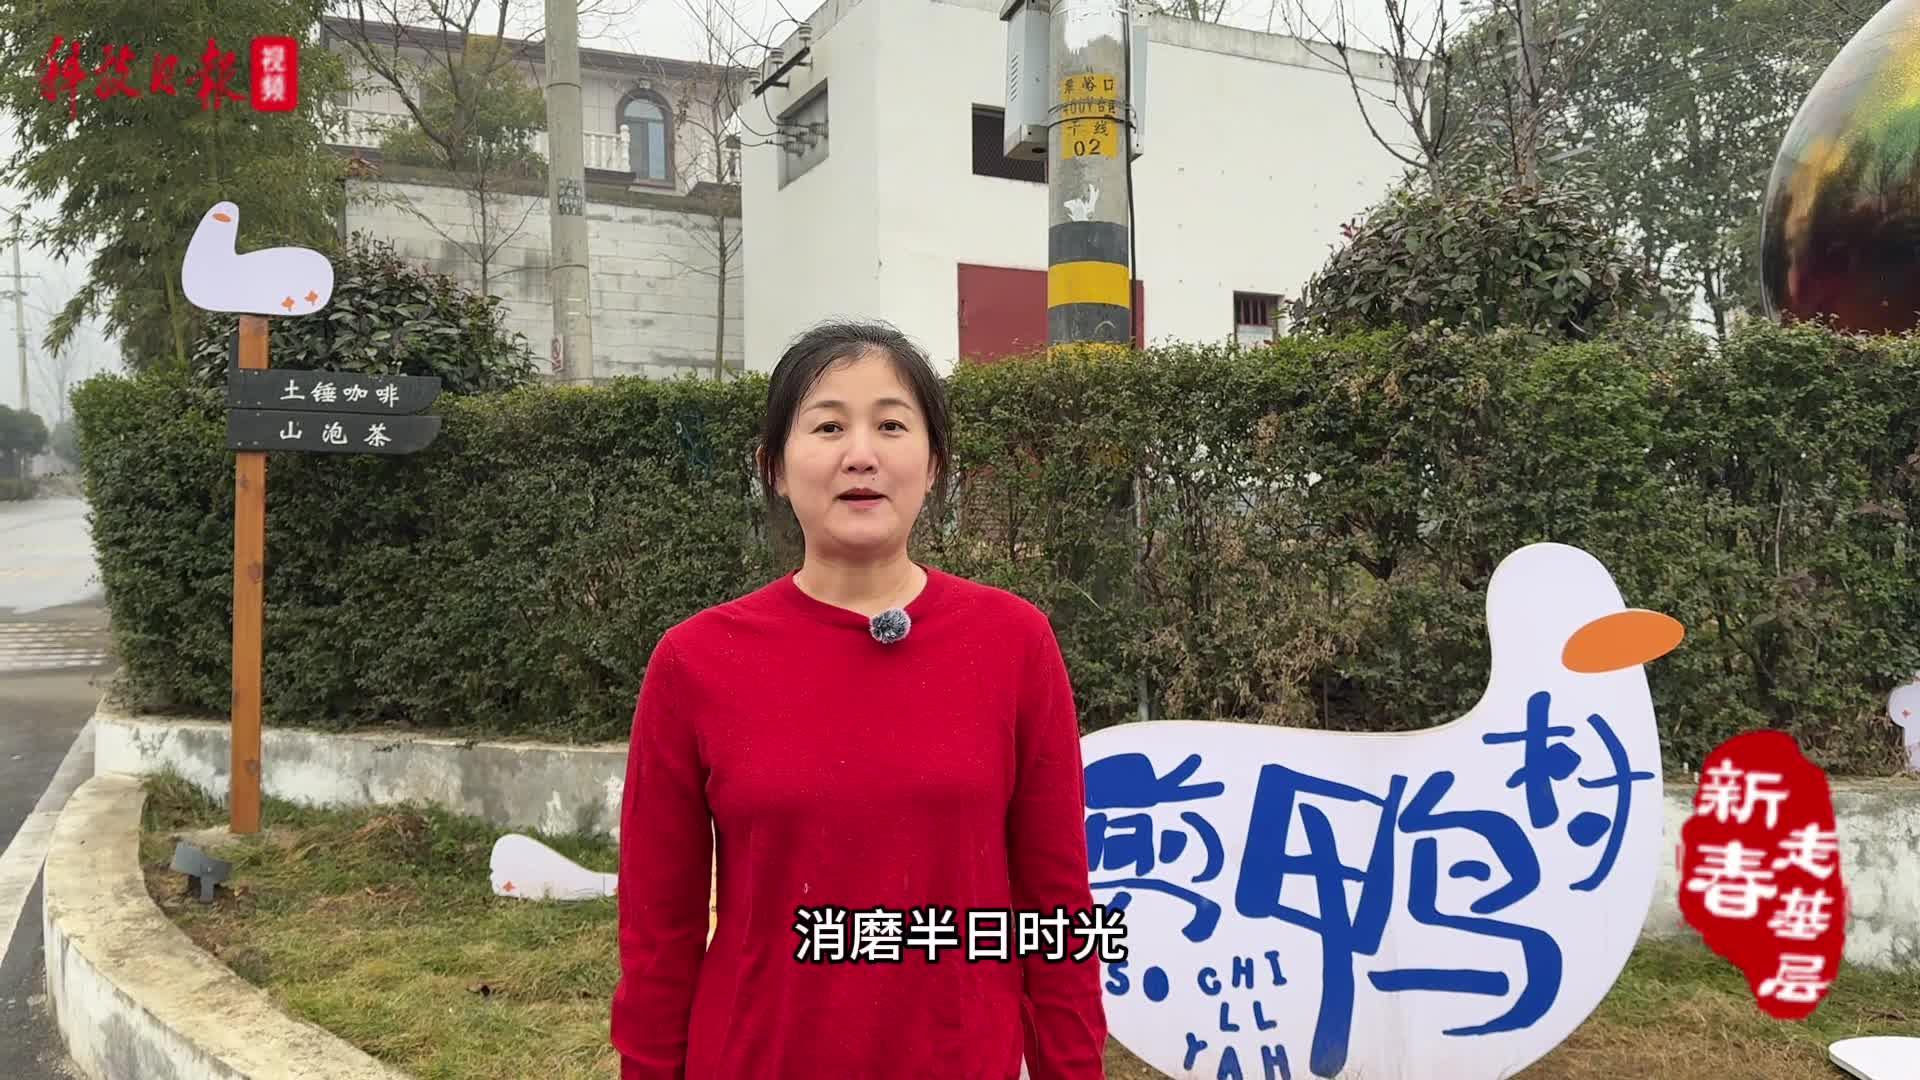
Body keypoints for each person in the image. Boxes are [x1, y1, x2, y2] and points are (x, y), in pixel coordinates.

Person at [610, 320, 1109, 1079]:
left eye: (892, 425)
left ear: (934, 465)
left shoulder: (1013, 644)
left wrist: (1070, 1068)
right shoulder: (696, 662)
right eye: (828, 426)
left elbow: (1056, 905)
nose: (861, 454)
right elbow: (658, 929)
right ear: (774, 467)